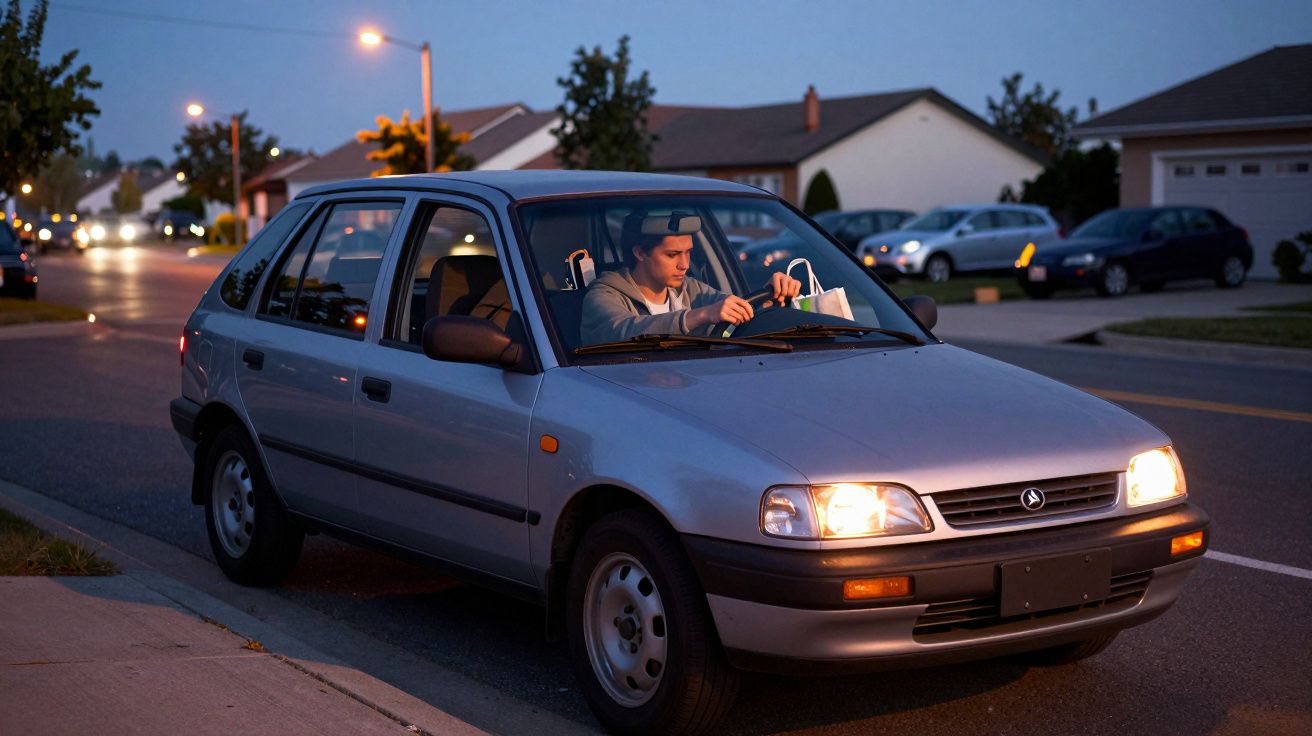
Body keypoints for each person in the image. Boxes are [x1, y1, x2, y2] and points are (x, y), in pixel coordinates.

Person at [580, 214, 801, 345]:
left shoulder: (689, 289)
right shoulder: (603, 295)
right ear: (640, 253)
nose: (684, 264)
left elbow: (735, 308)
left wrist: (771, 297)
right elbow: (620, 331)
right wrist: (700, 316)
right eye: (672, 255)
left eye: (688, 252)